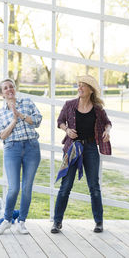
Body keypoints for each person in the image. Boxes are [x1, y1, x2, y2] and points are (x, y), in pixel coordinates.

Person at [51, 75, 111, 234]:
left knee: (94, 187)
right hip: (73, 148)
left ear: (91, 90)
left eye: (83, 86)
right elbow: (60, 121)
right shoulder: (70, 105)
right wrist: (67, 129)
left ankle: (99, 222)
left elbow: (107, 122)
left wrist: (107, 130)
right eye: (79, 85)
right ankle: (57, 222)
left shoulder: (98, 109)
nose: (80, 88)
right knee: (66, 186)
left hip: (91, 148)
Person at [0, 78, 42, 235]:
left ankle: (21, 222)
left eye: (11, 87)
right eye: (6, 88)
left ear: (15, 89)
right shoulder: (0, 113)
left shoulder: (27, 102)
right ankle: (7, 220)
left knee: (27, 187)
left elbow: (37, 120)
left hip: (31, 148)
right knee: (14, 188)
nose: (9, 90)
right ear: (2, 94)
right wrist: (14, 120)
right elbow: (2, 135)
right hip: (12, 149)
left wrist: (20, 115)